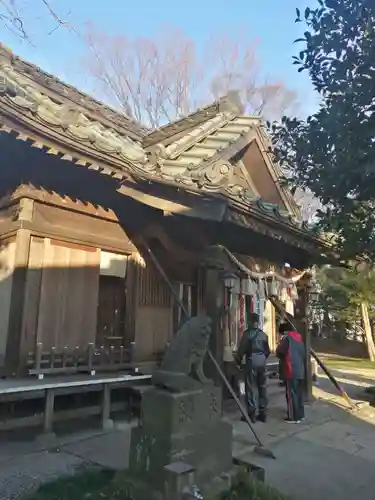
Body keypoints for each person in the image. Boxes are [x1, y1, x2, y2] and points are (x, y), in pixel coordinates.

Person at [235, 313, 270, 423]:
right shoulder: (264, 335)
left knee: (250, 388)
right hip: (262, 361)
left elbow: (241, 351)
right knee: (262, 387)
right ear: (258, 322)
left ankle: (251, 414)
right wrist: (262, 358)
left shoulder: (247, 334)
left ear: (250, 321)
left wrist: (238, 362)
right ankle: (263, 413)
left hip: (252, 361)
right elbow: (267, 351)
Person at [276, 322, 306, 423]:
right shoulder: (299, 338)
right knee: (299, 394)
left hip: (290, 370)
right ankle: (300, 415)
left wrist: (280, 342)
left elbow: (279, 352)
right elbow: (303, 353)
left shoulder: (286, 339)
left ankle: (293, 417)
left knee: (291, 394)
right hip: (300, 370)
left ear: (283, 332)